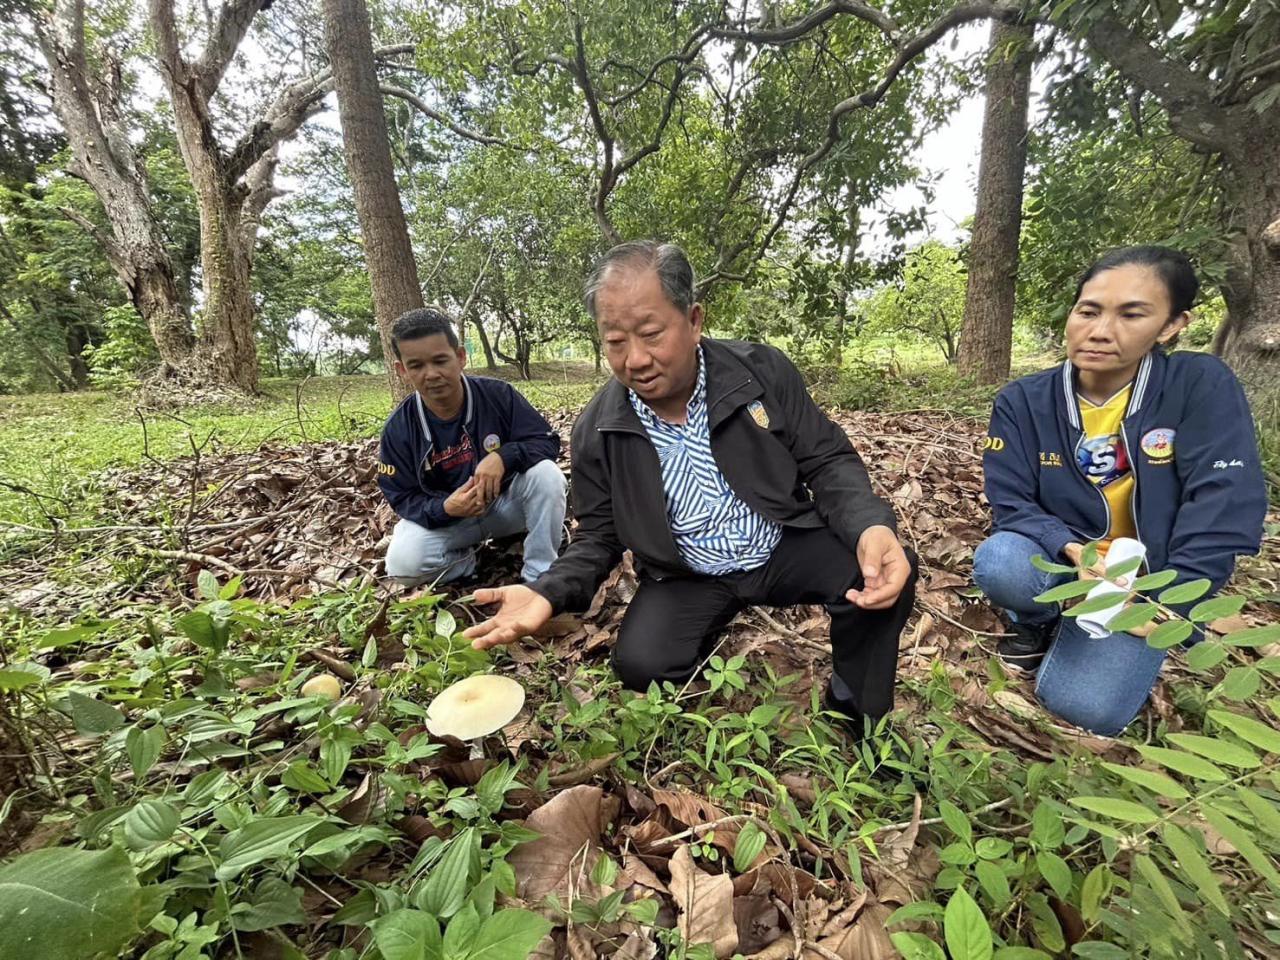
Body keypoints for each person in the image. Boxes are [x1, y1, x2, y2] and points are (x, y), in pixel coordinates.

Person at [462, 241, 918, 733]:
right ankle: (707, 633)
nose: (635, 359)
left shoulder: (760, 374)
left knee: (881, 574)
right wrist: (547, 591)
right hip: (686, 572)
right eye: (615, 341)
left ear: (695, 320)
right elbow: (599, 535)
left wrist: (870, 525)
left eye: (652, 334)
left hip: (781, 541)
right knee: (642, 667)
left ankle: (856, 711)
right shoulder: (597, 428)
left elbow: (826, 459)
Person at [975, 246, 1266, 736]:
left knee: (1087, 708)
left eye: (1132, 314)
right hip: (1069, 559)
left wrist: (1169, 604)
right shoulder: (1025, 401)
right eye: (1088, 311)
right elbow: (1010, 501)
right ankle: (1037, 617)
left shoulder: (1197, 385)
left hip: (1150, 576)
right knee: (1001, 560)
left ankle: (1095, 632)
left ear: (1172, 325)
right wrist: (1070, 547)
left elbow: (1222, 503)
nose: (1101, 330)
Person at [377, 308, 567, 586]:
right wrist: (444, 507)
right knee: (402, 566)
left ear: (461, 357)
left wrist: (503, 457)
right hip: (452, 522)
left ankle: (539, 575)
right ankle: (466, 561)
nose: (431, 374)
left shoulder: (498, 396)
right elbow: (401, 496)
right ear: (402, 370)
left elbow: (547, 441)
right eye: (416, 365)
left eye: (440, 360)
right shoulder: (399, 429)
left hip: (507, 506)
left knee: (548, 475)